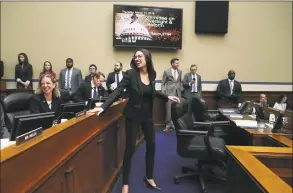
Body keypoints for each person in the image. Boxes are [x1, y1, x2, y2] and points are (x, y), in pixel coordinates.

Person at [92, 49, 180, 193]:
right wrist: (103, 106)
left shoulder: (152, 74)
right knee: (130, 149)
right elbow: (118, 91)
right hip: (133, 116)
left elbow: (151, 91)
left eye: (140, 56)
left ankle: (149, 176)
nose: (137, 58)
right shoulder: (130, 74)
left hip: (147, 117)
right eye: (135, 57)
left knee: (151, 145)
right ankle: (125, 183)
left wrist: (167, 97)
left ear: (147, 58)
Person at [161, 58, 182, 132]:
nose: (178, 64)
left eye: (178, 63)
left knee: (176, 110)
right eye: (176, 63)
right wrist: (164, 93)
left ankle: (176, 124)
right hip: (169, 94)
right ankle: (168, 125)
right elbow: (163, 83)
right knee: (168, 110)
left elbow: (179, 81)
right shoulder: (166, 72)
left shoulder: (180, 71)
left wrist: (181, 90)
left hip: (177, 93)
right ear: (172, 64)